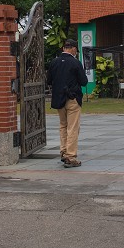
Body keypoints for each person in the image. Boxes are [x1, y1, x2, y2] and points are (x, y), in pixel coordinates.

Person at [46, 38, 89, 167]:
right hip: (72, 98)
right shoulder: (75, 63)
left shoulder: (54, 62)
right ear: (74, 49)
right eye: (76, 50)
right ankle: (71, 156)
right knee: (73, 128)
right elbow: (84, 82)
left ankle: (64, 152)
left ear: (64, 48)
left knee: (63, 126)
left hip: (59, 99)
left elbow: (49, 80)